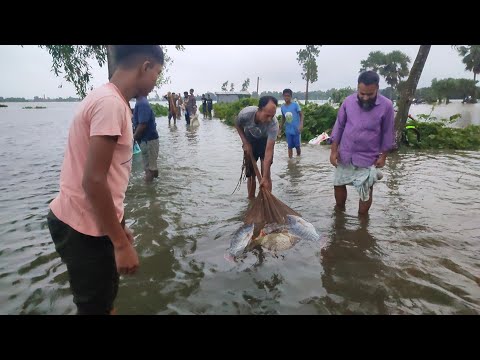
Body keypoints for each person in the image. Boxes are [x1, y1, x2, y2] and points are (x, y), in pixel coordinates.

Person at [46, 45, 164, 315]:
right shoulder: (111, 104)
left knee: (103, 302)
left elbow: (107, 177)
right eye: (157, 73)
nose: (156, 81)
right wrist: (121, 244)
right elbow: (94, 181)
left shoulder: (108, 98)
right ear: (145, 66)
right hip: (82, 228)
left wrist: (118, 227)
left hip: (90, 221)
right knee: (95, 308)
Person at [329, 70, 395, 215]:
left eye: (369, 94)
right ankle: (339, 215)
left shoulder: (387, 106)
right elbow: (339, 126)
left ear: (377, 88)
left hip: (368, 156)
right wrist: (333, 151)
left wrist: (383, 156)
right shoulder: (348, 102)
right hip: (345, 153)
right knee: (338, 184)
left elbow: (387, 132)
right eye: (362, 93)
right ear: (358, 88)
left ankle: (362, 222)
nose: (365, 97)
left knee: (366, 190)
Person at [234, 95, 279, 199]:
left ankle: (267, 201)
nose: (269, 119)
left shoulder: (273, 124)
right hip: (250, 140)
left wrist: (265, 177)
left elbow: (269, 151)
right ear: (260, 109)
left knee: (266, 176)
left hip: (265, 142)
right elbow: (237, 123)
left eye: (272, 116)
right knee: (251, 175)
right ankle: (251, 200)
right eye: (267, 115)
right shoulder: (246, 114)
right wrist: (245, 142)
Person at [133, 94, 160, 182]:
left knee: (149, 170)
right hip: (148, 140)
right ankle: (155, 184)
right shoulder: (141, 103)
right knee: (151, 167)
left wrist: (133, 138)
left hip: (148, 140)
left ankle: (149, 192)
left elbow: (143, 125)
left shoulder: (142, 103)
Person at [280, 88, 304, 158]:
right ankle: (290, 162)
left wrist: (301, 124)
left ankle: (298, 159)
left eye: (288, 96)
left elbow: (301, 115)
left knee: (297, 146)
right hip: (288, 130)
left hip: (296, 129)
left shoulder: (295, 105)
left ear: (291, 97)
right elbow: (283, 117)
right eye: (285, 96)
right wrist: (280, 128)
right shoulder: (282, 107)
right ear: (283, 96)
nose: (286, 97)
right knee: (289, 146)